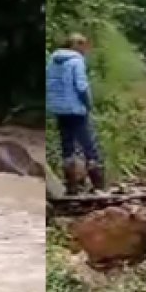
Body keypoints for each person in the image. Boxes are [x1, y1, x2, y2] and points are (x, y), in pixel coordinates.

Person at [46, 33, 105, 192]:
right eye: (84, 47)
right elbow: (81, 87)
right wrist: (88, 104)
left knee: (67, 147)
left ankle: (71, 186)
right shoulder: (76, 61)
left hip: (59, 109)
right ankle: (99, 186)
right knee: (89, 147)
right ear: (78, 46)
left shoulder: (52, 60)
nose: (86, 51)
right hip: (77, 110)